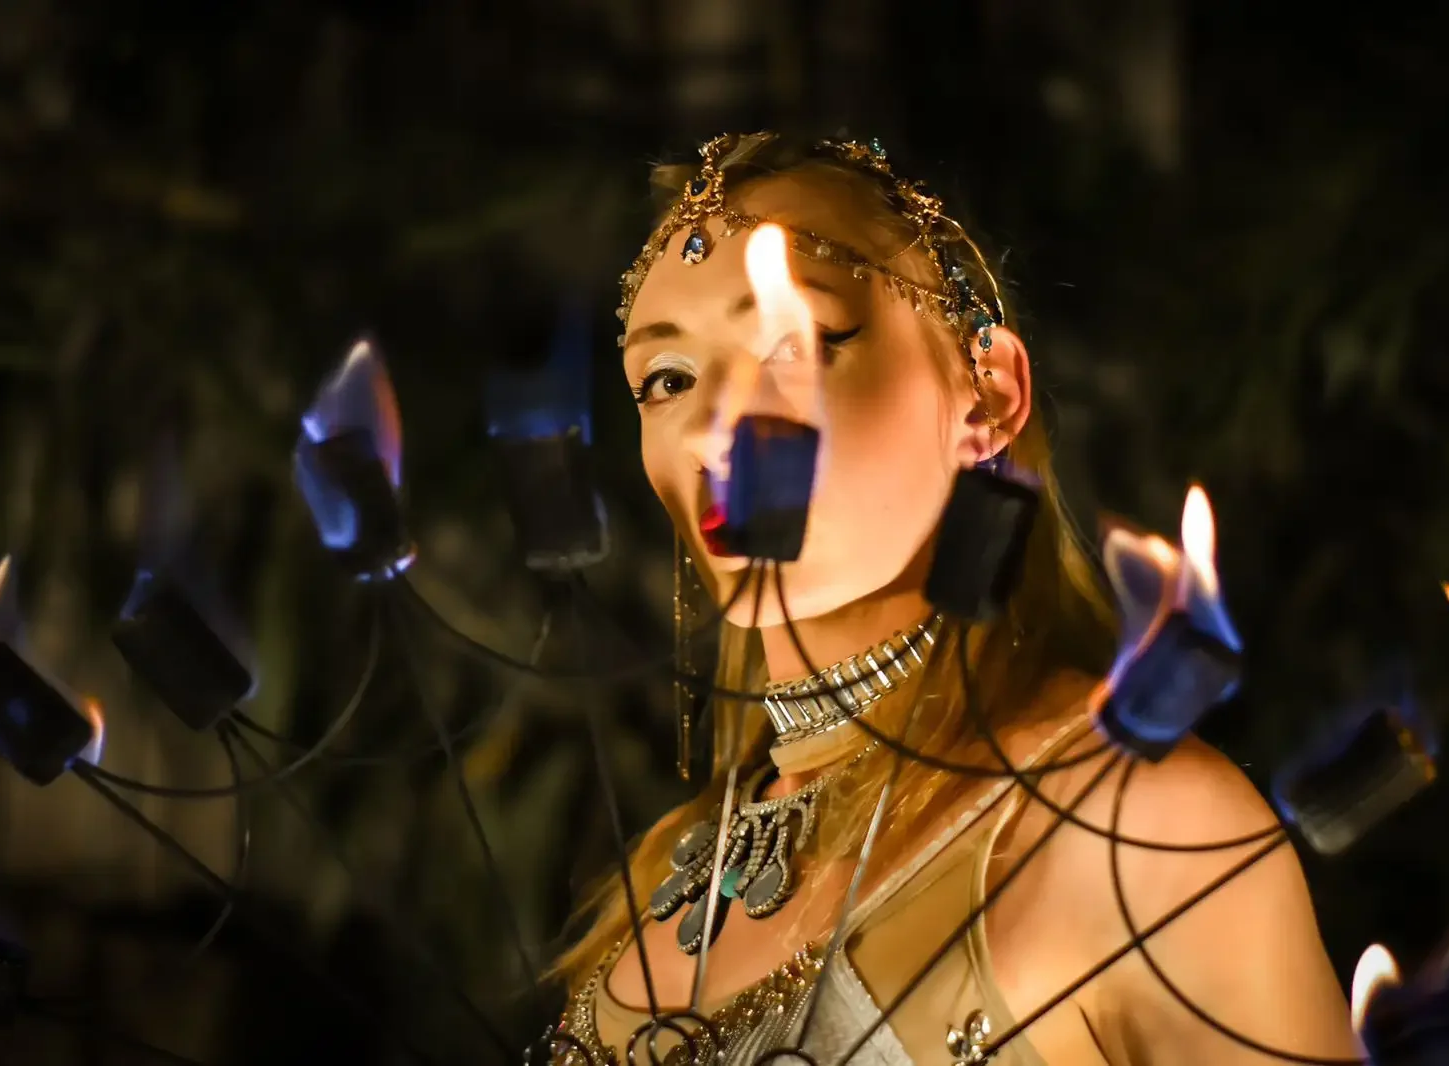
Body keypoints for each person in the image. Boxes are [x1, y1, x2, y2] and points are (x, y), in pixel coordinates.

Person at [549, 132, 1358, 1065]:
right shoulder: (661, 872)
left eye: (796, 341)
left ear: (989, 397)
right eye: (667, 380)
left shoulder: (1135, 826)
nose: (714, 427)